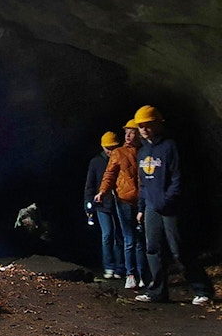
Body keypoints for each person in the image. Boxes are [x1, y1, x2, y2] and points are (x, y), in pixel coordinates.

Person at [133, 105, 214, 305]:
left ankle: (202, 289)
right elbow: (143, 183)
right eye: (140, 126)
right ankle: (158, 292)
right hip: (152, 207)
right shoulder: (142, 153)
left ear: (157, 124)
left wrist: (168, 200)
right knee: (153, 249)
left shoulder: (170, 147)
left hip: (171, 207)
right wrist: (142, 208)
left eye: (147, 125)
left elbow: (178, 178)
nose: (144, 129)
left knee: (179, 249)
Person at [94, 119, 150, 290]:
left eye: (132, 132)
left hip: (142, 201)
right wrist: (102, 191)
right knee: (129, 239)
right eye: (126, 132)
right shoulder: (119, 153)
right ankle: (130, 274)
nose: (128, 135)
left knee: (141, 240)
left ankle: (143, 275)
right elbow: (109, 174)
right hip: (124, 200)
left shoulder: (145, 152)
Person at [85, 131, 125, 280]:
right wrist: (88, 204)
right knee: (107, 235)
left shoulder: (121, 158)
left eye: (113, 147)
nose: (111, 151)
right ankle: (109, 266)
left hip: (119, 203)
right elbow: (90, 184)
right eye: (108, 148)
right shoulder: (96, 162)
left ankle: (120, 267)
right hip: (102, 205)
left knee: (120, 236)